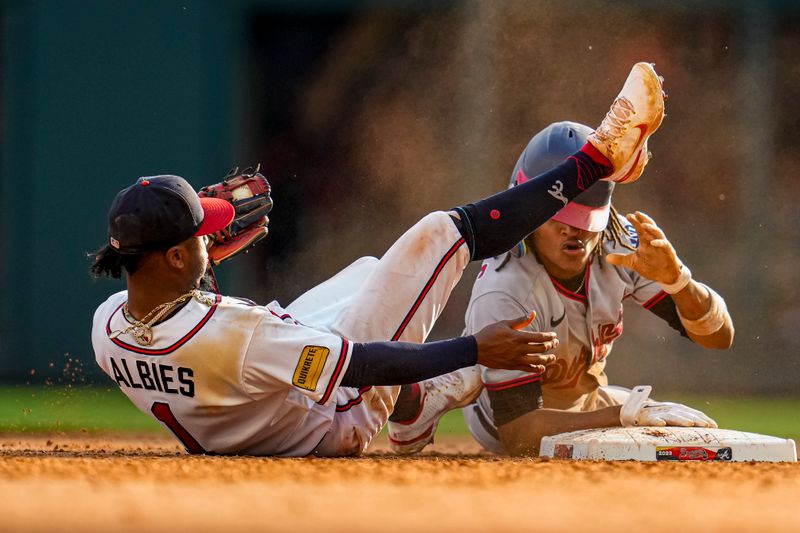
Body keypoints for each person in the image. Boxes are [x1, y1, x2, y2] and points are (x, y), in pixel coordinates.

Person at [90, 63, 665, 457]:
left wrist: (200, 255)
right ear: (168, 258)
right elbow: (359, 368)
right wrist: (474, 349)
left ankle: (418, 405)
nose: (211, 237)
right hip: (330, 425)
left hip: (257, 411)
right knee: (441, 234)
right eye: (199, 236)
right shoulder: (239, 335)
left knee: (372, 271)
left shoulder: (110, 324)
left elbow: (195, 330)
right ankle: (593, 162)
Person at [387, 120, 734, 456]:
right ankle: (441, 388)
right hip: (504, 420)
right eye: (559, 217)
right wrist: (624, 416)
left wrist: (679, 281)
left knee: (684, 431)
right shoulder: (506, 287)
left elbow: (719, 337)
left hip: (586, 398)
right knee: (631, 418)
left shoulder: (624, 245)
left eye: (585, 219)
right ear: (526, 213)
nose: (575, 231)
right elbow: (519, 435)